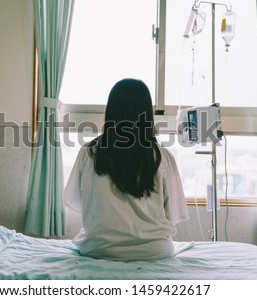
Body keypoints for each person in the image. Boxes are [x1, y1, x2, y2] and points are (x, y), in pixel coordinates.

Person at [65, 78, 189, 261]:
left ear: (111, 111)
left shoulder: (89, 153)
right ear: (147, 114)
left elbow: (79, 202)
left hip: (99, 249)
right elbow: (172, 214)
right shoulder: (163, 157)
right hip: (154, 251)